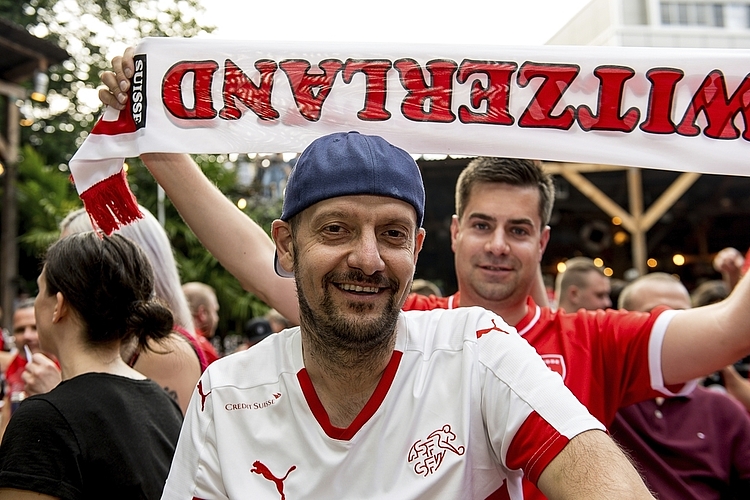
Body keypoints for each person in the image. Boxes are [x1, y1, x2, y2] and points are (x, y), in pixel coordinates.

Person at [102, 51, 750, 498]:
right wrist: (158, 146)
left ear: (544, 242)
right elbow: (262, 261)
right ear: (450, 234)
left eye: (519, 229)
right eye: (482, 224)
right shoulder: (408, 328)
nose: (498, 245)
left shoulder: (554, 342)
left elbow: (730, 329)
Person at [160, 131, 654, 499]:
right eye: (336, 229)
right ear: (287, 248)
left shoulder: (476, 350)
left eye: (393, 234)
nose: (368, 259)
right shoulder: (224, 396)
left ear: (417, 249)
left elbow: (608, 484)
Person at [0, 232, 183, 499]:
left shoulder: (42, 421)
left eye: (40, 290)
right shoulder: (163, 403)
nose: (37, 301)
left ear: (58, 306)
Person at [610, 272, 750, 500]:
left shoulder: (724, 411)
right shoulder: (602, 399)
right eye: (654, 317)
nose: (671, 328)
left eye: (682, 317)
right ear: (622, 322)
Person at [59, 206, 205, 413]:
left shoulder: (163, 350)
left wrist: (57, 402)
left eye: (71, 267)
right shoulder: (111, 345)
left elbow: (159, 442)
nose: (59, 280)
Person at [182, 281, 221, 364]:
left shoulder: (173, 338)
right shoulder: (202, 349)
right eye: (215, 311)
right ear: (203, 313)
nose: (217, 318)